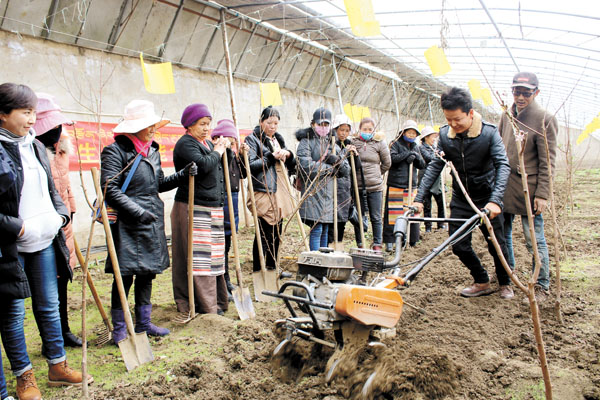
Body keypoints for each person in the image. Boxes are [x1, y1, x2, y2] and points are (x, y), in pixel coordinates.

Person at [1, 83, 91, 400]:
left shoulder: (36, 146)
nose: (31, 120)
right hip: (10, 245)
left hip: (44, 242)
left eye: (33, 112)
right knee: (13, 314)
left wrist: (60, 216)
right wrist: (19, 227)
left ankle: (57, 366)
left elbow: (52, 190)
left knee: (50, 306)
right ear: (2, 114)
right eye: (25, 112)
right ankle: (24, 377)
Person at [101, 99, 195, 341]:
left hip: (151, 219)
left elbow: (158, 184)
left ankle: (144, 323)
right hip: (127, 222)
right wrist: (136, 211)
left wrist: (182, 175)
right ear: (133, 127)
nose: (153, 129)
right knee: (124, 275)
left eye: (154, 125)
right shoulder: (115, 151)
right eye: (148, 125)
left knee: (147, 273)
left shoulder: (152, 150)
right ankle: (120, 328)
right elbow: (110, 189)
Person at [413, 87, 514, 299]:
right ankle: (481, 280)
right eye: (448, 120)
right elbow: (435, 166)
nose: (453, 125)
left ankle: (505, 283)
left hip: (487, 197)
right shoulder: (445, 135)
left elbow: (503, 165)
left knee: (496, 244)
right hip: (461, 197)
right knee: (458, 245)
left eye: (457, 119)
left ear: (470, 113)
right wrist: (419, 198)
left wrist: (496, 200)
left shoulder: (488, 133)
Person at [499, 72, 558, 303]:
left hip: (529, 188)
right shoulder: (507, 115)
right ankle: (509, 276)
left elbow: (548, 161)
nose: (520, 97)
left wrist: (542, 194)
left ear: (536, 93)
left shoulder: (545, 119)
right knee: (503, 236)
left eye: (526, 92)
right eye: (517, 91)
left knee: (534, 238)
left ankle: (542, 284)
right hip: (505, 187)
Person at [32, 93, 82, 347]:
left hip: (65, 225)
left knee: (63, 280)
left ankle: (64, 331)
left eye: (58, 125)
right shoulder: (31, 153)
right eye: (51, 125)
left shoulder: (61, 150)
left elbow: (66, 186)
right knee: (45, 287)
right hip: (43, 227)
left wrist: (71, 211)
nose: (57, 130)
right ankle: (49, 339)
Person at [171, 104, 229, 315]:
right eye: (202, 124)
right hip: (193, 206)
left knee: (212, 257)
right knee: (198, 259)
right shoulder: (185, 144)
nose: (207, 128)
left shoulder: (203, 142)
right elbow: (204, 166)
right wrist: (218, 151)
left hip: (210, 207)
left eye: (208, 124)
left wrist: (221, 150)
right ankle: (201, 305)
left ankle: (216, 302)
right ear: (189, 125)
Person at [245, 106, 295, 273]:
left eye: (276, 123)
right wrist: (269, 157)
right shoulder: (252, 140)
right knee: (264, 233)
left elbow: (291, 165)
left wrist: (287, 154)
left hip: (279, 189)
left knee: (277, 232)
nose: (273, 126)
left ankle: (273, 267)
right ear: (261, 121)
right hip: (263, 189)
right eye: (269, 122)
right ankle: (258, 270)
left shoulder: (277, 140)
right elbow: (250, 165)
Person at [296, 108, 350, 251]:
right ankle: (315, 259)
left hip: (329, 193)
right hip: (314, 192)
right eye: (320, 124)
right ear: (313, 124)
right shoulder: (306, 142)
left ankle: (324, 259)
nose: (323, 128)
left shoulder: (332, 142)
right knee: (317, 228)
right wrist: (329, 169)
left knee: (326, 228)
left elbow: (346, 169)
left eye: (327, 125)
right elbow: (304, 165)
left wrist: (337, 161)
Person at [210, 119, 247, 299]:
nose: (231, 143)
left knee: (228, 241)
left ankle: (228, 279)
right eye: (228, 140)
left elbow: (244, 174)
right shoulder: (217, 153)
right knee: (220, 245)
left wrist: (242, 156)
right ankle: (221, 281)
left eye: (233, 140)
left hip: (233, 200)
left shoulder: (233, 155)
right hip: (221, 199)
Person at [384, 120, 425, 250]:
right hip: (396, 183)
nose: (411, 135)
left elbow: (422, 164)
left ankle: (412, 240)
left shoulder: (415, 146)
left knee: (411, 213)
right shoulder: (395, 144)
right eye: (409, 132)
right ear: (403, 132)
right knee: (393, 214)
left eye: (414, 133)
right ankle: (390, 241)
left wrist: (416, 157)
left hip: (410, 185)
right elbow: (392, 159)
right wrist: (406, 155)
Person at [353, 117, 391, 251]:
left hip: (375, 187)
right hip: (358, 186)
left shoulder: (380, 143)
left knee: (375, 217)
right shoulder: (354, 142)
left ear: (374, 130)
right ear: (360, 129)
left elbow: (387, 163)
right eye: (365, 129)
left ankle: (377, 244)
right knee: (359, 216)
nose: (367, 131)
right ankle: (360, 243)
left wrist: (376, 174)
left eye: (370, 129)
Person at [327, 114, 363, 246]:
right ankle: (329, 248)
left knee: (341, 221)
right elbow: (334, 162)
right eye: (341, 130)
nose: (344, 133)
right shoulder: (330, 143)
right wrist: (344, 153)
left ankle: (338, 248)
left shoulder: (348, 144)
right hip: (334, 189)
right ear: (335, 129)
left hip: (346, 190)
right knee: (332, 223)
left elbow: (357, 168)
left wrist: (355, 155)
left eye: (347, 131)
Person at [418, 126, 446, 232]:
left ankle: (441, 224)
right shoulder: (421, 148)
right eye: (432, 137)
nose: (434, 139)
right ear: (426, 137)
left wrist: (440, 154)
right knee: (427, 204)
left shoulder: (434, 147)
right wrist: (438, 155)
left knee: (441, 201)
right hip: (425, 178)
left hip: (436, 179)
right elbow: (429, 159)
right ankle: (428, 227)